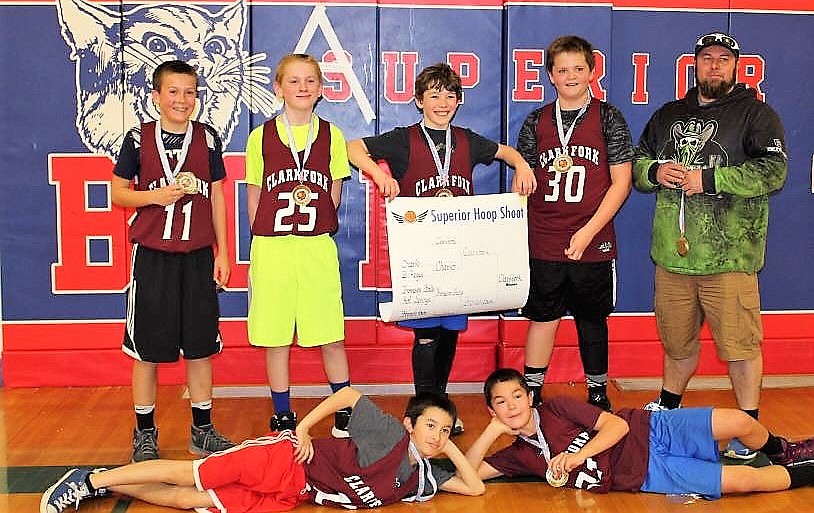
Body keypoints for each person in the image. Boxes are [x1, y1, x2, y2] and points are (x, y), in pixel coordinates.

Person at [347, 62, 536, 435]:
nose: (442, 101)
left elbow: (507, 152)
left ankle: (440, 406)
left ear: (460, 101)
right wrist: (381, 174)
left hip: (460, 256)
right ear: (419, 100)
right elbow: (353, 147)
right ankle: (423, 410)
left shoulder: (465, 141)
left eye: (450, 95)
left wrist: (522, 167)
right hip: (421, 256)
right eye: (433, 94)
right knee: (426, 335)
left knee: (448, 334)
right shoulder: (404, 140)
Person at [631, 32, 788, 460]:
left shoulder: (756, 115)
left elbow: (774, 172)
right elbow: (638, 163)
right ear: (694, 65)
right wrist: (655, 172)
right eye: (706, 58)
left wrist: (712, 179)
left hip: (730, 257)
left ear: (736, 67)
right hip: (673, 256)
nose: (714, 66)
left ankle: (749, 424)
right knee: (676, 342)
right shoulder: (668, 115)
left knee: (739, 346)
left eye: (723, 59)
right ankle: (667, 406)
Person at [40, 387, 486, 513]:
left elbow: (475, 490)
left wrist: (452, 445)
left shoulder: (420, 480)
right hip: (285, 459)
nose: (436, 435)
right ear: (410, 424)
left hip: (291, 495)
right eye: (430, 425)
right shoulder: (390, 435)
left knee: (187, 500)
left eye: (444, 430)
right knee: (188, 474)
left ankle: (108, 486)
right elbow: (347, 397)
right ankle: (88, 479)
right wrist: (305, 429)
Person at [465, 368, 814, 500]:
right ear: (493, 409)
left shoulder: (555, 407)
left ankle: (784, 449)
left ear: (528, 396)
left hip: (651, 428)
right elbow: (464, 479)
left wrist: (573, 457)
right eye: (501, 402)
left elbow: (617, 424)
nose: (513, 406)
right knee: (744, 481)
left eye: (517, 395)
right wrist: (489, 433)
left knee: (738, 421)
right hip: (646, 475)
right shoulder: (517, 455)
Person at [111, 60, 234, 463]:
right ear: (156, 96)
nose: (182, 99)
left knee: (200, 348)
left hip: (197, 257)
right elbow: (117, 194)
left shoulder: (209, 138)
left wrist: (224, 251)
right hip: (153, 258)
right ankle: (144, 432)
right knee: (146, 351)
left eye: (190, 92)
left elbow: (217, 195)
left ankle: (202, 430)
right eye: (174, 92)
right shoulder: (136, 138)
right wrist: (153, 196)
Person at [516, 35, 633, 412]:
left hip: (593, 234)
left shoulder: (608, 117)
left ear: (591, 72)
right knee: (543, 316)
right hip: (545, 236)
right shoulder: (536, 121)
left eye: (578, 69)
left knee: (592, 318)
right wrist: (522, 179)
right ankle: (532, 390)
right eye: (562, 69)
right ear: (550, 75)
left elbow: (621, 182)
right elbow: (525, 176)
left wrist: (588, 231)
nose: (570, 76)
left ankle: (597, 390)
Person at [245, 54, 353, 437]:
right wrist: (266, 238)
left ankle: (343, 406)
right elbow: (254, 197)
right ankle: (282, 413)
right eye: (293, 81)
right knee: (276, 336)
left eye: (310, 81)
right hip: (273, 247)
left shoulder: (332, 135)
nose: (302, 87)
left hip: (315, 245)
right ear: (278, 88)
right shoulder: (260, 136)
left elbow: (334, 195)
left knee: (329, 333)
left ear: (321, 88)